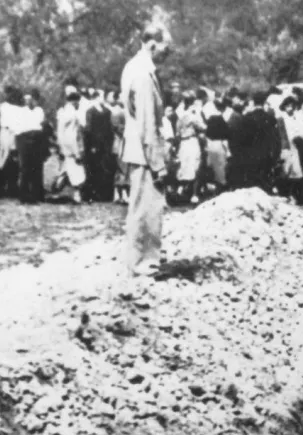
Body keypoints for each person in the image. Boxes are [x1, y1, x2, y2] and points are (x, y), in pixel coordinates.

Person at [120, 20, 172, 277]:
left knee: (145, 206)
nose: (167, 53)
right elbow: (147, 125)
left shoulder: (135, 67)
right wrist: (158, 163)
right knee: (145, 208)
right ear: (152, 44)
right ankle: (142, 262)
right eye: (165, 47)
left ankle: (144, 256)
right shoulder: (142, 74)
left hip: (139, 149)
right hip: (144, 152)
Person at [238, 90, 281, 191]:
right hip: (266, 155)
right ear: (264, 102)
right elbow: (275, 139)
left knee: (252, 185)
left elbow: (242, 139)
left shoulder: (247, 118)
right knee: (265, 184)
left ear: (253, 102)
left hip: (250, 155)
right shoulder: (270, 118)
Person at [83, 90, 116, 203]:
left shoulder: (107, 111)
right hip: (94, 144)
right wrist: (91, 144)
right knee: (94, 168)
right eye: (102, 96)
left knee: (104, 168)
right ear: (97, 97)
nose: (104, 98)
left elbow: (110, 129)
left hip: (105, 144)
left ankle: (104, 195)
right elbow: (88, 129)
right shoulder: (90, 112)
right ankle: (93, 194)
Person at [56, 86, 86, 204]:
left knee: (69, 169)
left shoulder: (63, 112)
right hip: (71, 146)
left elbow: (60, 133)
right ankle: (75, 194)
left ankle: (61, 184)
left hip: (65, 146)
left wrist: (61, 147)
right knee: (77, 172)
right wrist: (77, 152)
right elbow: (73, 135)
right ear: (75, 101)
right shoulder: (73, 115)